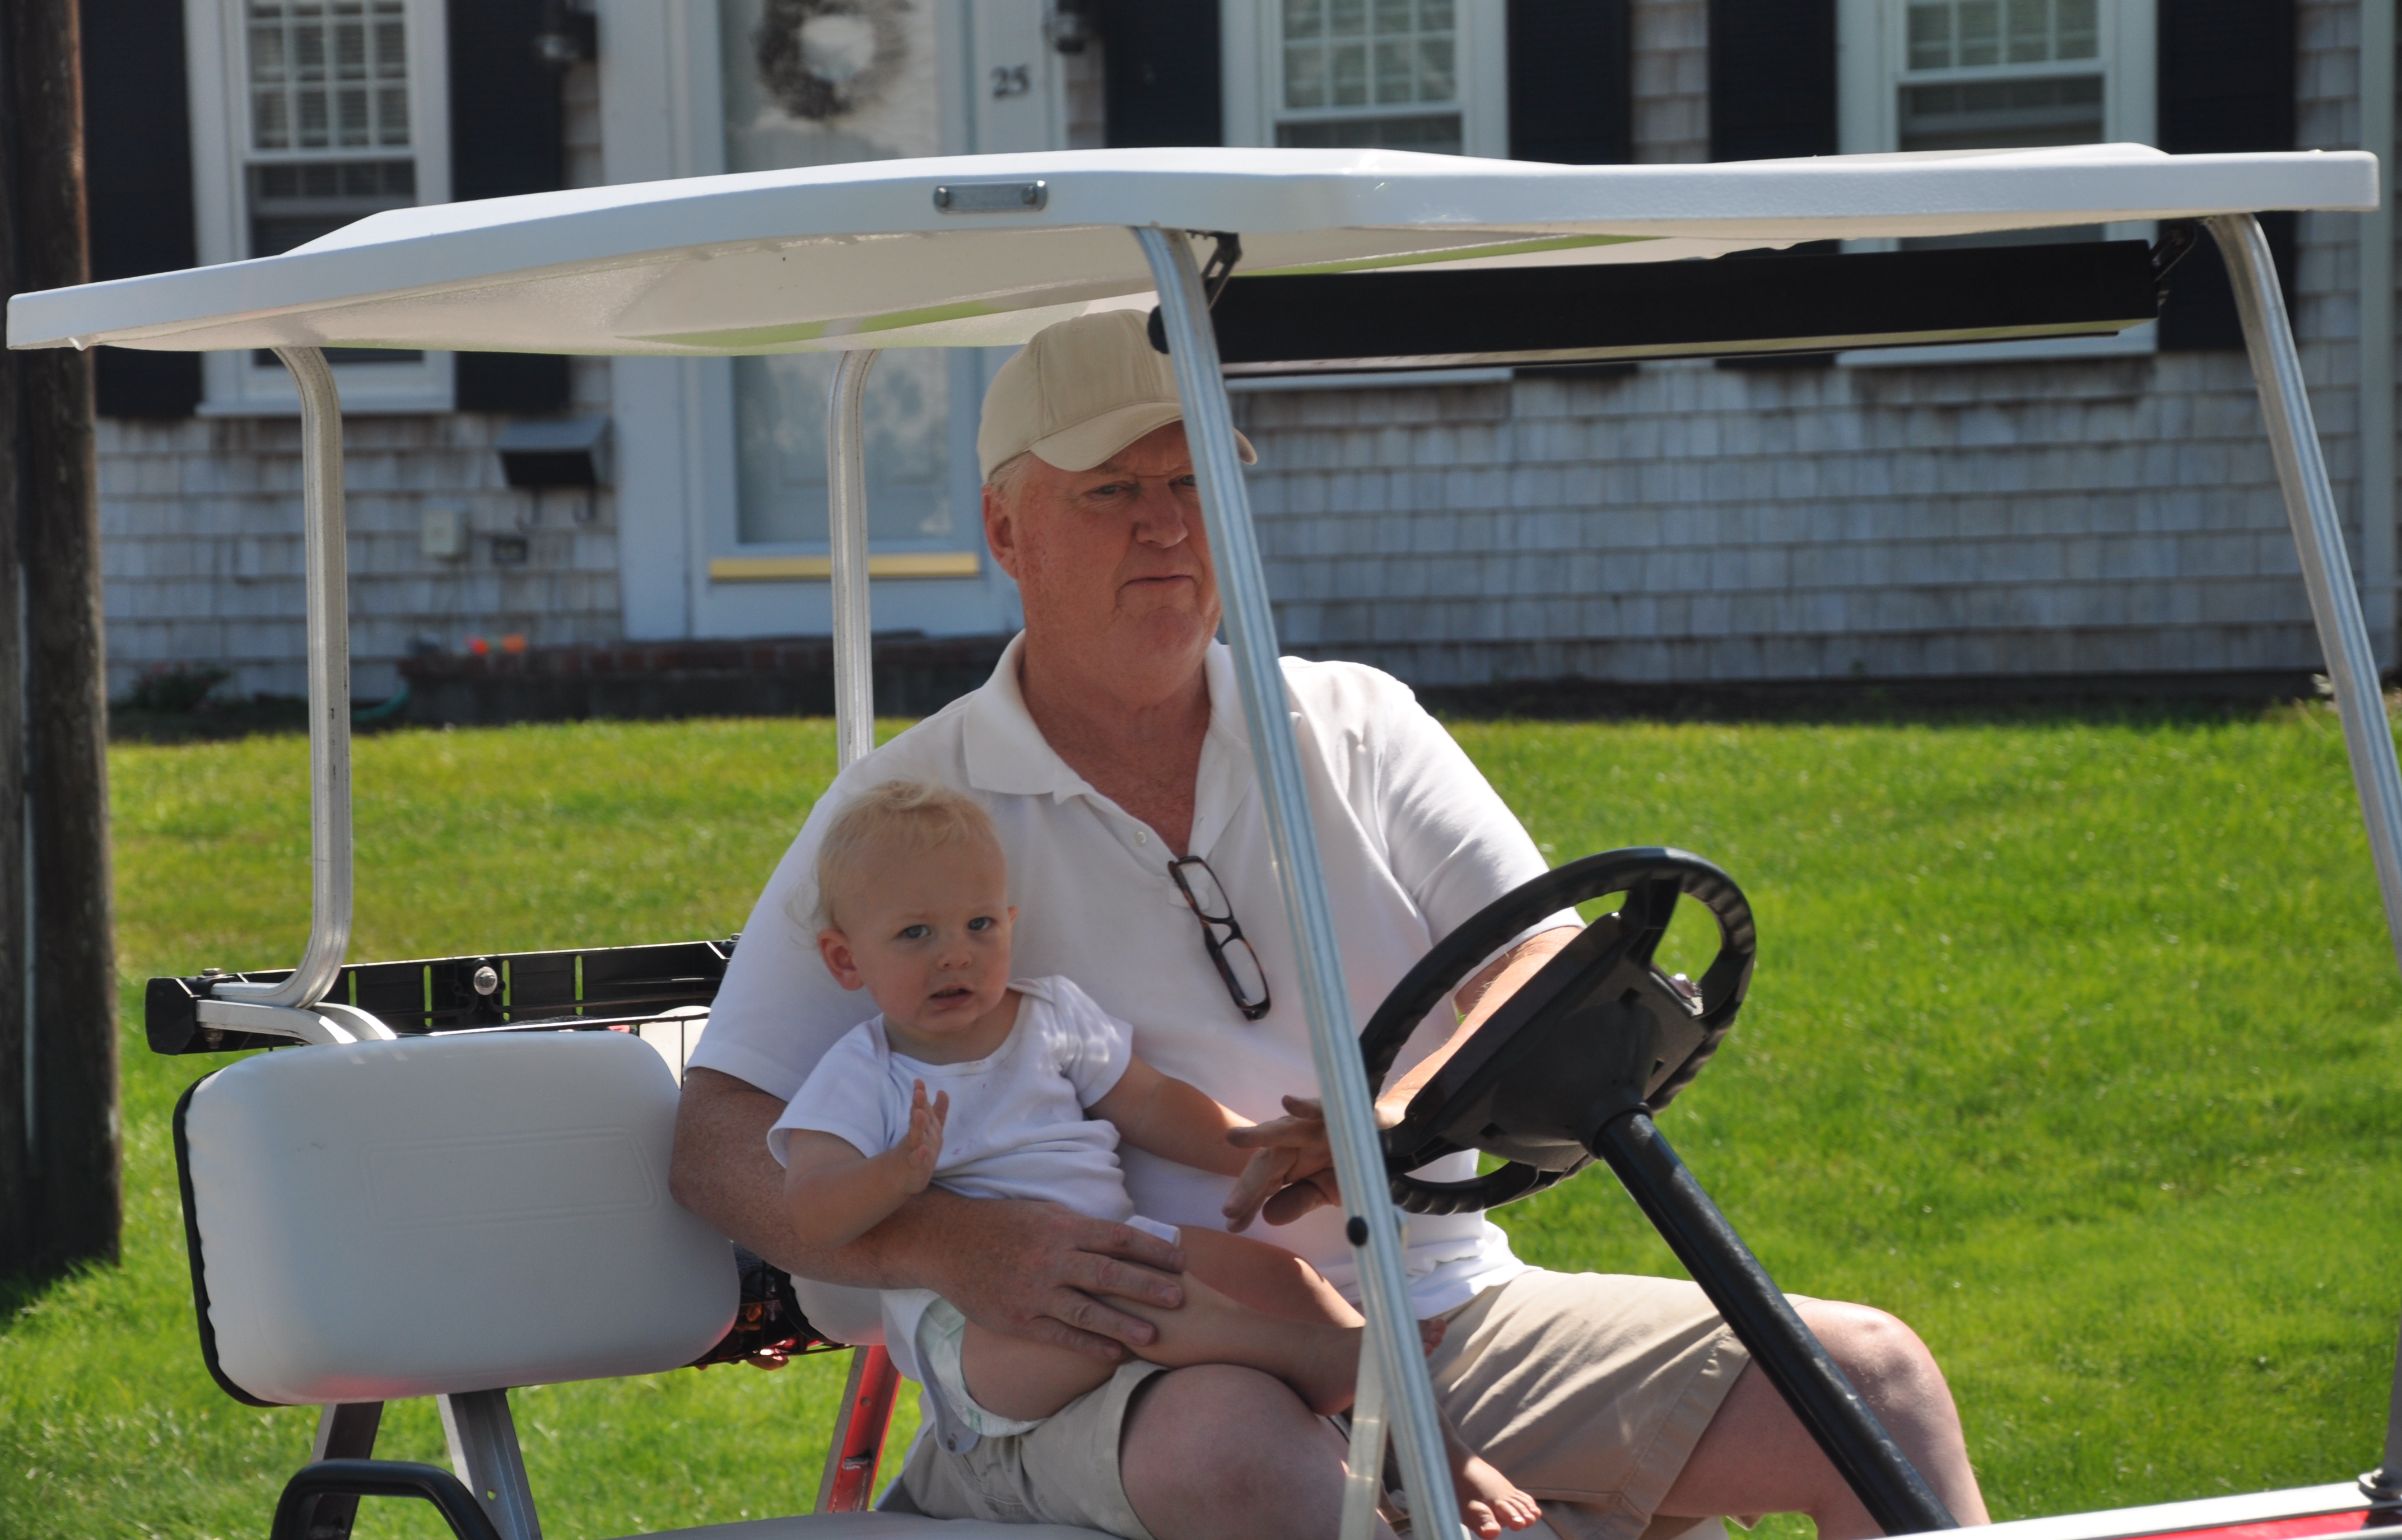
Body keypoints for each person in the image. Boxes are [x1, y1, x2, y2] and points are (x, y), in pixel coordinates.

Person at [672, 307, 1992, 1540]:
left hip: (1434, 1310)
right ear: (1005, 530)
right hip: (1101, 1360)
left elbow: (1538, 959)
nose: (1166, 527)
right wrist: (954, 1243)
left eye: (1193, 482)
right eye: (1112, 491)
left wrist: (1383, 1119)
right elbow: (718, 1137)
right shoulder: (909, 815)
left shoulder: (1356, 723)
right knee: (1236, 1441)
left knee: (1867, 1379)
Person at [774, 777, 1541, 1538]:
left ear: (1010, 922)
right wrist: (894, 1175)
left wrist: (1257, 1147)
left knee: (1282, 1277)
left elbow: (1149, 1105)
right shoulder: (863, 1074)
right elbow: (810, 1211)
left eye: (978, 925)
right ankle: (1306, 1359)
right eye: (916, 935)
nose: (955, 956)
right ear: (846, 960)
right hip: (983, 1334)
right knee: (1136, 1300)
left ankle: (1436, 1449)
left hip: (1119, 1247)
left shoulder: (1049, 1017)